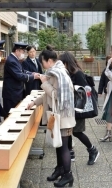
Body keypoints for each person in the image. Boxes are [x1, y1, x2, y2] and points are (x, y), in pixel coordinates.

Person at [26, 46, 75, 187]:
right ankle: (60, 170)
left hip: (63, 116)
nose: (42, 65)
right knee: (58, 145)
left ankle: (68, 175)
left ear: (48, 61)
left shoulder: (59, 73)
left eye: (42, 62)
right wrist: (34, 102)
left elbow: (56, 95)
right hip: (57, 115)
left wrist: (44, 83)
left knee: (64, 147)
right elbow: (48, 95)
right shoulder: (53, 72)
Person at [59, 51, 100, 166]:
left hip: (77, 108)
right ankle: (70, 153)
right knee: (68, 131)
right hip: (70, 107)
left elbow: (83, 92)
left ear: (67, 62)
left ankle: (92, 150)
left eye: (62, 63)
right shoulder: (68, 73)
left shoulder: (77, 74)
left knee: (77, 132)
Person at [2, 42, 40, 118]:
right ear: (17, 51)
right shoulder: (11, 61)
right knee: (11, 117)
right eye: (22, 52)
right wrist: (33, 77)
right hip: (11, 94)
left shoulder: (15, 60)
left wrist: (32, 73)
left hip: (16, 93)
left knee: (16, 114)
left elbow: (23, 71)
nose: (23, 54)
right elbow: (19, 75)